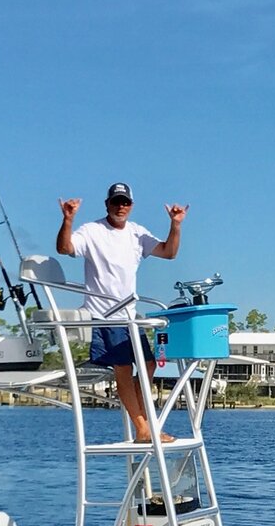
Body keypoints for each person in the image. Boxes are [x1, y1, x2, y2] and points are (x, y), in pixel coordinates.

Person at [57, 182, 187, 442]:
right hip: (104, 313)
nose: (120, 206)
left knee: (149, 364)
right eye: (116, 202)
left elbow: (169, 252)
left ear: (131, 206)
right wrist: (68, 219)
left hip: (129, 315)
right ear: (107, 204)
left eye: (125, 202)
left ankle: (144, 423)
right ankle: (142, 428)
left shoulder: (136, 233)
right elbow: (65, 248)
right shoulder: (92, 230)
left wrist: (176, 225)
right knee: (123, 368)